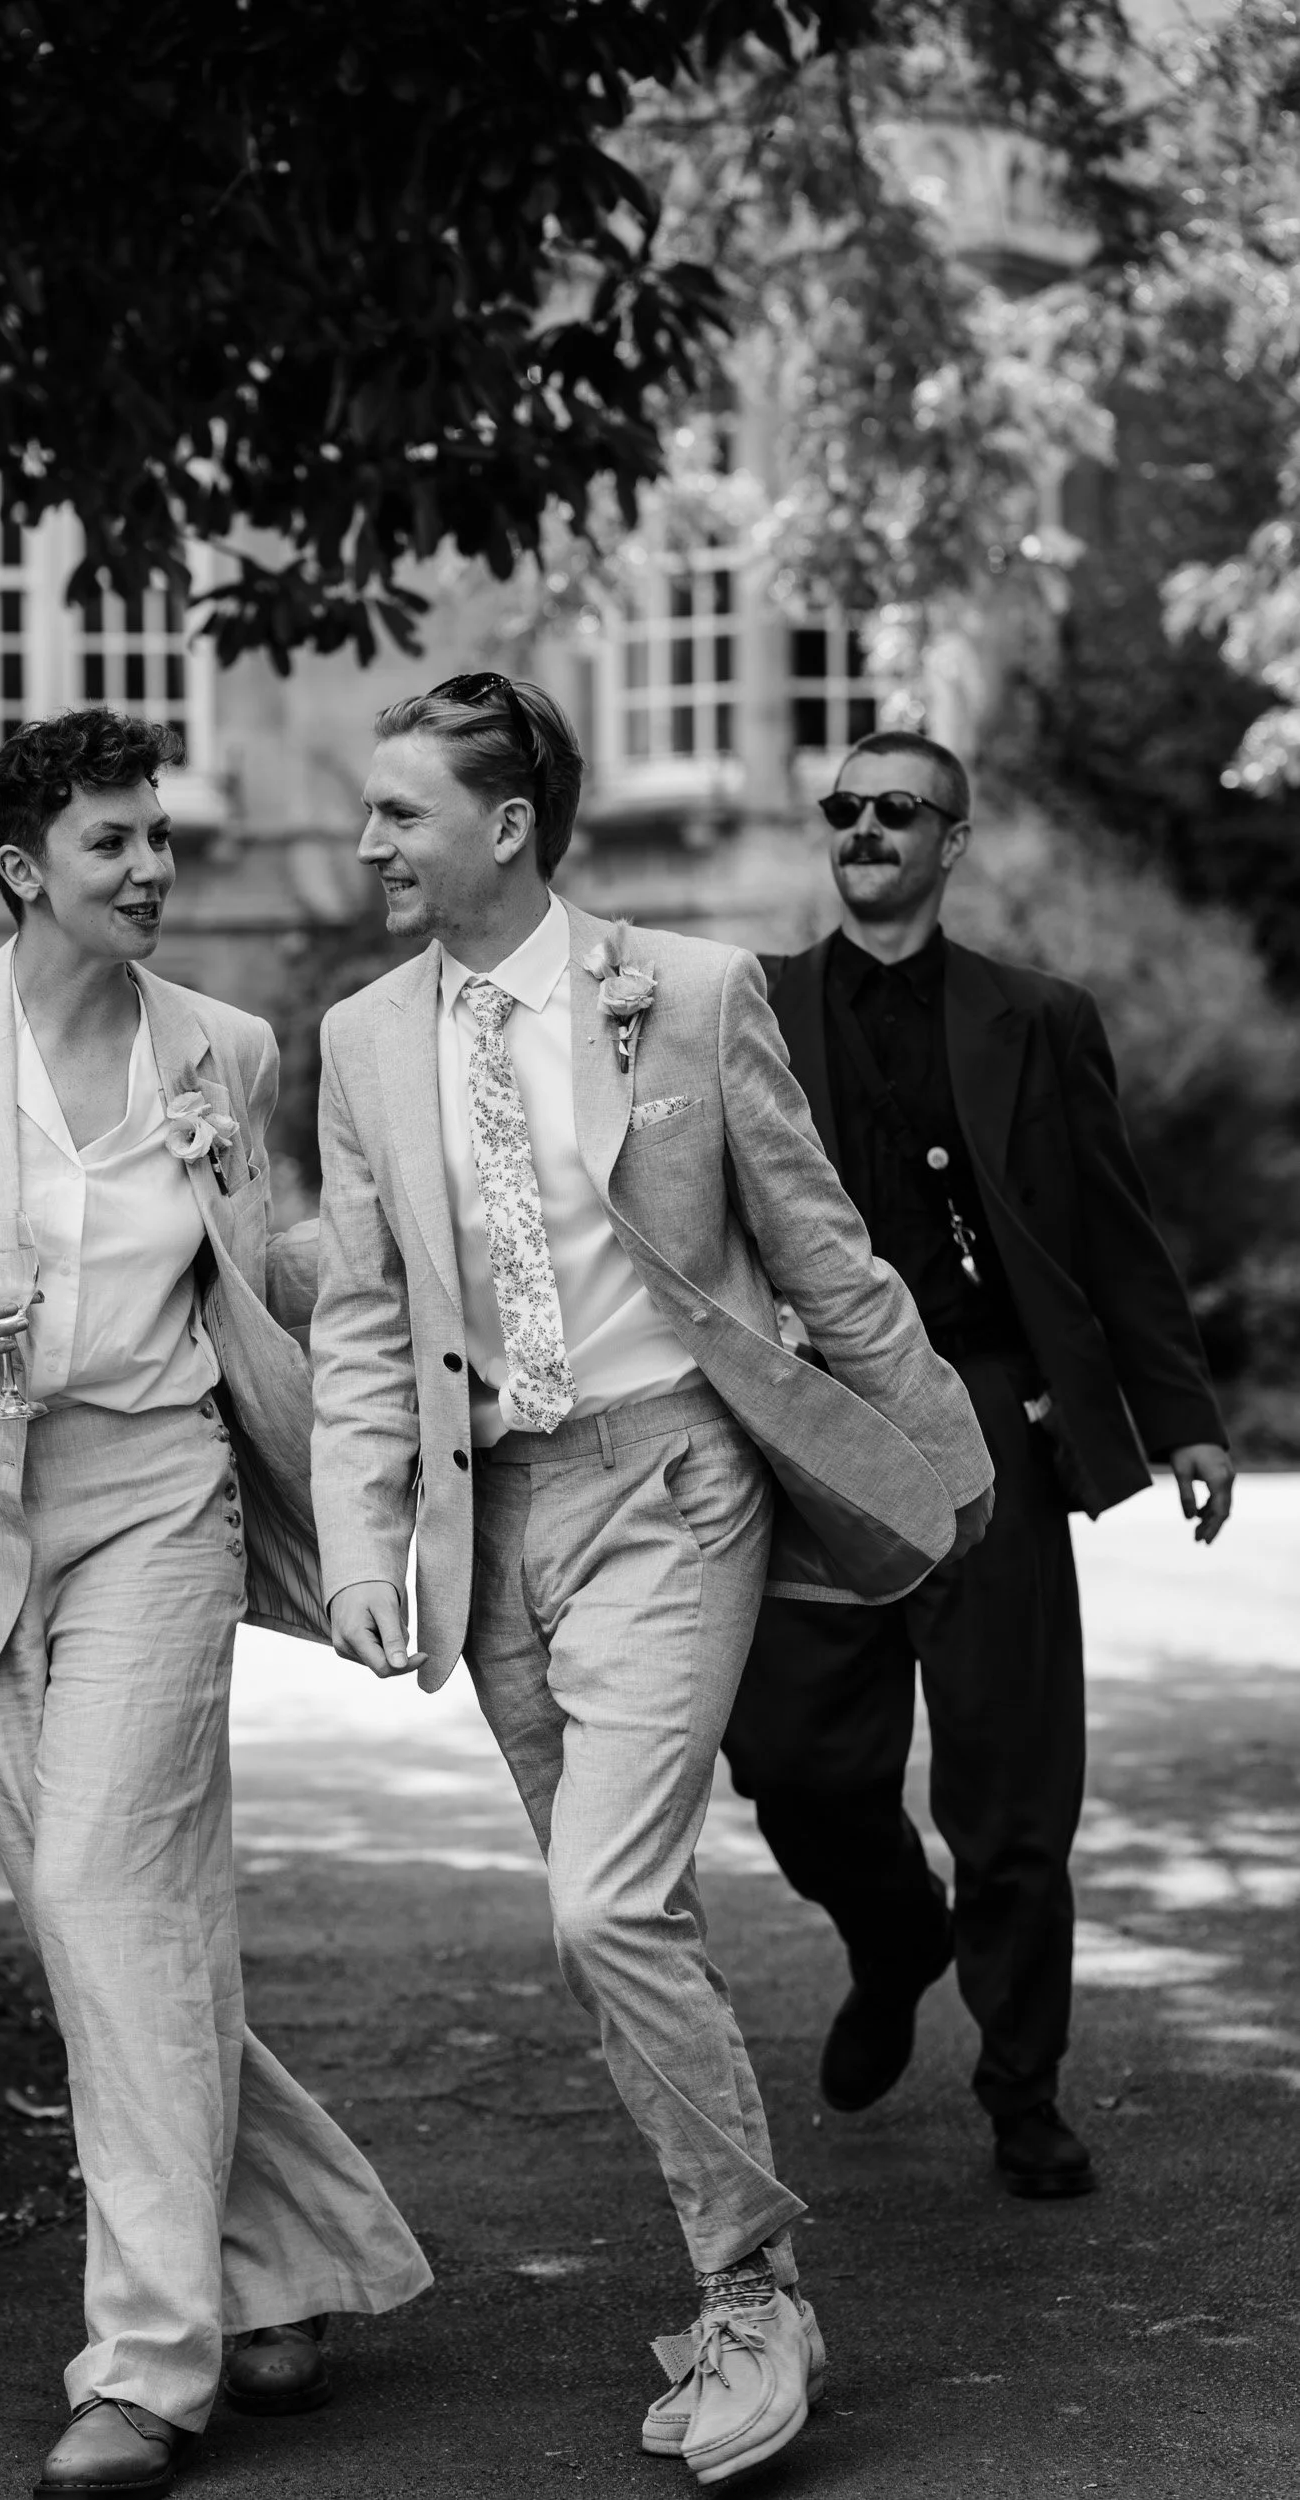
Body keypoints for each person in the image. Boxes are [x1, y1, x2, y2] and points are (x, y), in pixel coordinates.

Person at [309, 675, 995, 2483]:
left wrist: (943, 1461)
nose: (367, 840)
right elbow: (371, 1322)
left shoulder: (686, 993)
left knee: (602, 1905)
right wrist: (366, 1537)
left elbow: (819, 1248)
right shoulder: (364, 1039)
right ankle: (734, 2275)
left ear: (507, 825)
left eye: (398, 811)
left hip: (675, 1486)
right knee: (622, 1926)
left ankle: (757, 2292)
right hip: (492, 1529)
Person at [0, 709, 430, 2498]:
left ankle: (149, 2366)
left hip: (161, 1498)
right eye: (113, 845)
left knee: (97, 1892)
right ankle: (291, 2256)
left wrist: (396, 1252)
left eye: (160, 836)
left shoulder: (220, 1047)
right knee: (115, 1937)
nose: (153, 865)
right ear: (21, 872)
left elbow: (276, 1259)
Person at [720, 728, 1234, 2201]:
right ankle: (893, 1939)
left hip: (986, 1420)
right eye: (845, 809)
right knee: (790, 1759)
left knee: (1014, 1781)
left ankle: (1023, 2089)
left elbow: (1109, 1227)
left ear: (951, 842)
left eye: (897, 810)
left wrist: (1178, 1411)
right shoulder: (746, 1005)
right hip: (815, 1432)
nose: (865, 828)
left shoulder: (1038, 1018)